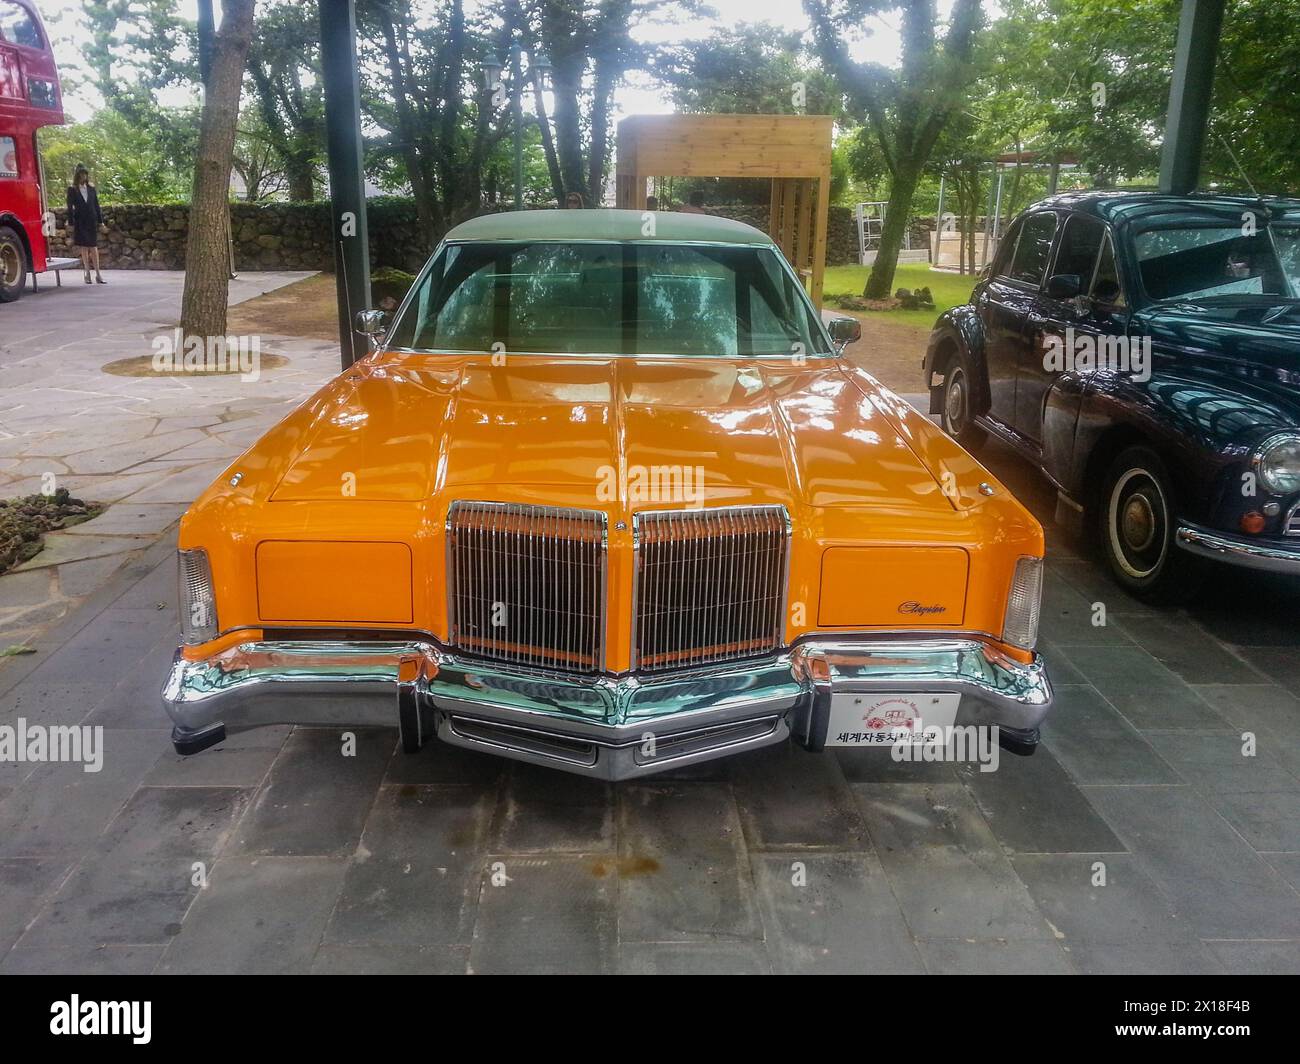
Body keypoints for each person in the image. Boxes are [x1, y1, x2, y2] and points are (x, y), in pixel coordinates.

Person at [66, 164, 106, 284]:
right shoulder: (72, 189)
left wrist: (101, 222)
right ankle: (87, 272)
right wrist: (71, 222)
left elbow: (96, 206)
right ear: (77, 175)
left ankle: (98, 274)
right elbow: (69, 207)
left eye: (85, 173)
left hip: (91, 220)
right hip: (80, 221)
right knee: (84, 247)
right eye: (81, 173)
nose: (83, 176)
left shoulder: (91, 188)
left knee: (93, 247)